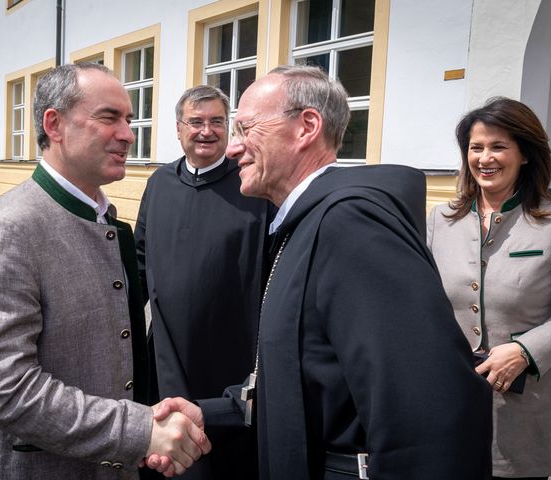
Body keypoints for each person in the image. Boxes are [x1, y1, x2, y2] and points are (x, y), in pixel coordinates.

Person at [151, 65, 493, 479]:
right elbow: (313, 380)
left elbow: (427, 410)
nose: (233, 148)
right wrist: (211, 412)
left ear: (306, 127)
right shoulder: (305, 222)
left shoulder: (351, 224)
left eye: (245, 129)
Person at [0, 63, 210, 480]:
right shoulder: (9, 230)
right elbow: (2, 388)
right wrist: (138, 430)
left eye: (128, 118)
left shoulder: (99, 216)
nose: (127, 133)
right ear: (55, 124)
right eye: (109, 117)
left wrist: (149, 423)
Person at [427, 97, 551, 479]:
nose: (485, 158)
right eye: (476, 147)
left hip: (528, 402)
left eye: (499, 146)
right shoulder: (441, 220)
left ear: (526, 154)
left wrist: (524, 350)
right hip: (454, 401)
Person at [135, 85, 271, 480]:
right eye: (196, 122)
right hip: (168, 354)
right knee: (166, 459)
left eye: (216, 122)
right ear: (179, 129)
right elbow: (141, 263)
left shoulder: (253, 186)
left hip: (233, 356)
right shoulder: (159, 184)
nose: (206, 131)